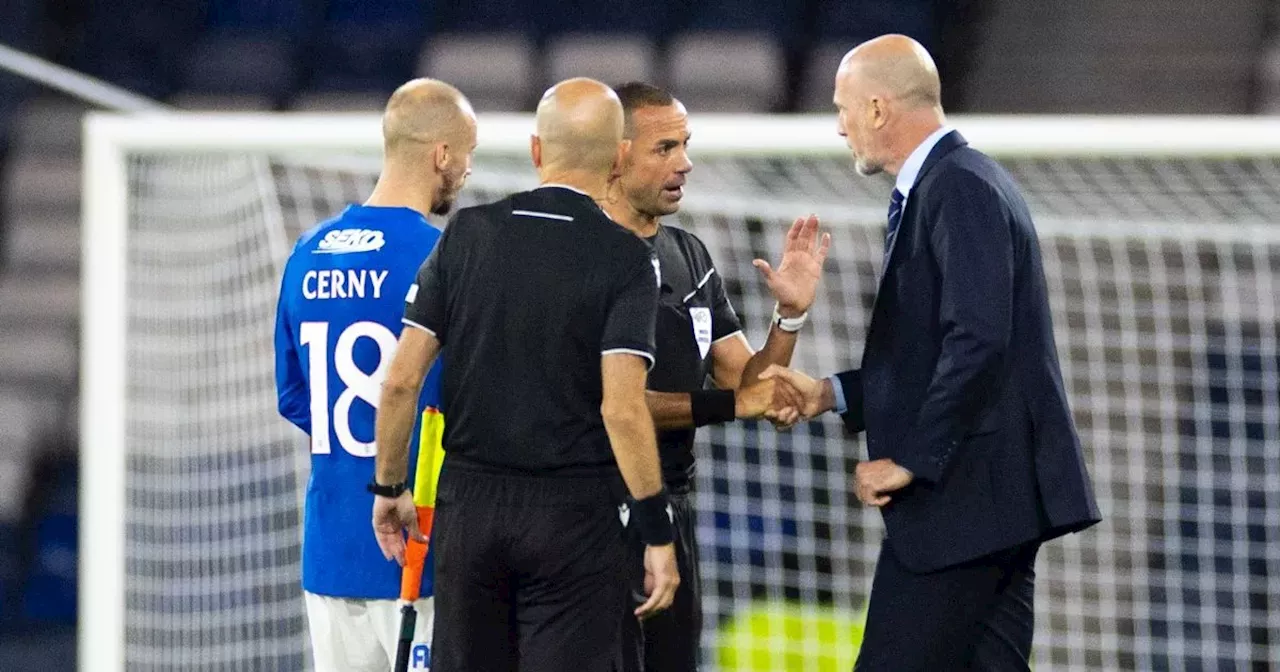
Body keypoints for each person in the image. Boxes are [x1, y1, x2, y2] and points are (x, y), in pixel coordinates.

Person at [760, 35, 1101, 670]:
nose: (840, 127)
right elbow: (938, 352)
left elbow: (978, 340)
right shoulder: (953, 181)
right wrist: (832, 393)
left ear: (879, 109)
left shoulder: (959, 186)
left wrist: (912, 459)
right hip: (989, 505)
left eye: (844, 108)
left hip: (966, 503)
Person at [371, 78, 680, 672]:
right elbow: (622, 409)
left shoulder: (466, 235)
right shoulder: (625, 258)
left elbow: (402, 380)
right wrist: (656, 530)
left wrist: (389, 487)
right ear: (620, 156)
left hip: (471, 511)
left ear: (537, 151)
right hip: (573, 516)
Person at [602, 82, 828, 672]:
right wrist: (736, 405)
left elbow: (747, 379)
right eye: (665, 148)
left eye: (687, 144)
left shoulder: (689, 255)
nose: (686, 162)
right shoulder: (583, 258)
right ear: (617, 154)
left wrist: (790, 314)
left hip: (674, 508)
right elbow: (615, 400)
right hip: (594, 516)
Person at [273, 78, 477, 672]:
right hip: (421, 547)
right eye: (467, 152)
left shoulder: (307, 253)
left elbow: (294, 395)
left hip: (331, 550)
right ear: (441, 154)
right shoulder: (446, 257)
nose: (466, 170)